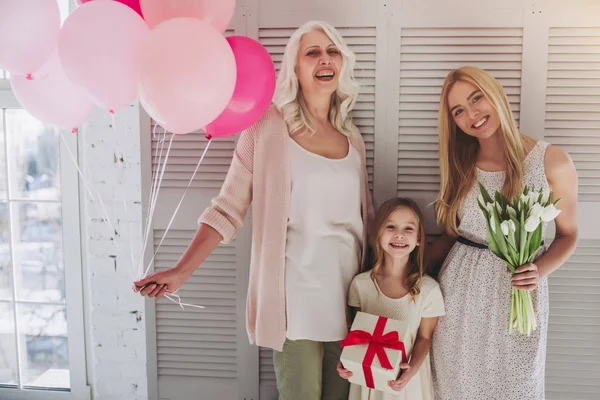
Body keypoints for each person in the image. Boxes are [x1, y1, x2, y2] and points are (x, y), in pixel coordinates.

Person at [134, 20, 374, 400]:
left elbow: (366, 223)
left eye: (332, 52)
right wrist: (182, 270)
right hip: (294, 301)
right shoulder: (266, 126)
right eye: (312, 52)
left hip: (350, 299)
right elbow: (227, 207)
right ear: (294, 67)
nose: (324, 60)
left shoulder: (352, 138)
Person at [428, 66, 578, 399]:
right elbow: (452, 236)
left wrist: (539, 271)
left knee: (517, 387)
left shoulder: (551, 161)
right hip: (459, 296)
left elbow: (568, 234)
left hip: (519, 296)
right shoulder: (460, 164)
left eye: (476, 98)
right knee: (456, 387)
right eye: (458, 111)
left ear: (494, 93)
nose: (472, 114)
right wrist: (396, 266)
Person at [337, 197, 445, 400]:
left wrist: (411, 370)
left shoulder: (428, 289)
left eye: (409, 229)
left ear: (419, 238)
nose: (399, 235)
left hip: (405, 380)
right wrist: (346, 362)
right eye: (391, 226)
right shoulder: (361, 285)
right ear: (377, 233)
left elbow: (424, 338)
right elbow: (354, 333)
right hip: (368, 382)